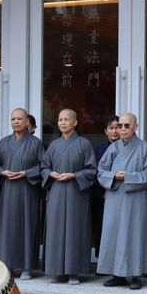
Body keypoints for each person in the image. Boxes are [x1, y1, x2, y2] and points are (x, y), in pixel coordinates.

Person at [97, 113, 147, 289]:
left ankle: (136, 274)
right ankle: (116, 274)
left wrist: (128, 177)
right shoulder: (113, 148)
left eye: (126, 126)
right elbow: (100, 171)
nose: (122, 129)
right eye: (119, 126)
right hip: (115, 196)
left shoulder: (144, 148)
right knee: (113, 233)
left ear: (135, 126)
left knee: (134, 234)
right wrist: (114, 176)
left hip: (135, 197)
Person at [41, 109, 97, 284]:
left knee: (75, 230)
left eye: (66, 119)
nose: (63, 122)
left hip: (75, 193)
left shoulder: (84, 144)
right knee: (56, 230)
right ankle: (58, 271)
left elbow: (92, 170)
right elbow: (43, 167)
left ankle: (74, 271)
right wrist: (50, 174)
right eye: (60, 119)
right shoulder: (53, 144)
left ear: (75, 122)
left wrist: (74, 175)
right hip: (57, 191)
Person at [0, 108, 44, 276]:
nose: (15, 122)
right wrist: (1, 172)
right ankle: (8, 265)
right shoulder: (3, 142)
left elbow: (44, 167)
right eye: (13, 119)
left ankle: (27, 267)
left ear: (27, 121)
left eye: (19, 119)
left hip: (27, 190)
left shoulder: (36, 143)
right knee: (7, 228)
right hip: (7, 190)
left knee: (27, 226)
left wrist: (27, 173)